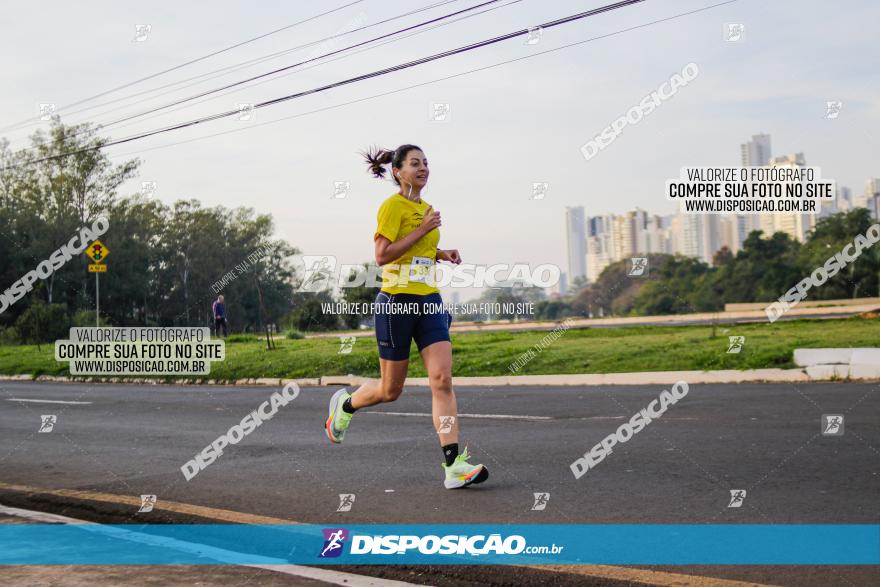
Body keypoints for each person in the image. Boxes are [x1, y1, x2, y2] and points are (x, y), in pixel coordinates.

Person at [324, 144, 489, 490]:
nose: (423, 168)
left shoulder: (426, 208)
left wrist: (441, 253)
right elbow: (383, 255)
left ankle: (453, 466)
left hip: (428, 300)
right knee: (390, 390)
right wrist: (423, 229)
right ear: (398, 171)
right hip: (396, 303)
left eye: (426, 163)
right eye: (415, 163)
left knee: (442, 379)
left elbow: (419, 252)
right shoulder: (392, 207)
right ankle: (347, 404)